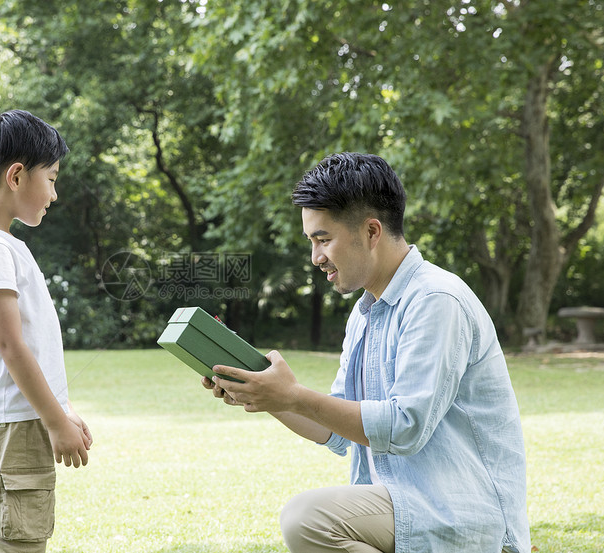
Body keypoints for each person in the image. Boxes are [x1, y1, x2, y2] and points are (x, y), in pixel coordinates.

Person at [204, 152, 530, 553]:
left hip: (461, 512)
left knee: (308, 518)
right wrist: (265, 393)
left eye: (323, 239)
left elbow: (404, 426)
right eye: (312, 241)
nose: (316, 257)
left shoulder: (436, 299)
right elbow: (336, 430)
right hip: (410, 504)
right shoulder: (364, 315)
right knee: (309, 519)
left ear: (372, 232)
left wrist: (294, 395)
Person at [0, 109, 92, 553]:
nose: (54, 193)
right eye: (51, 179)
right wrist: (54, 420)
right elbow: (11, 346)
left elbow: (29, 343)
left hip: (19, 423)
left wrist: (60, 409)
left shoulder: (0, 244)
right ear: (16, 176)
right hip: (11, 430)